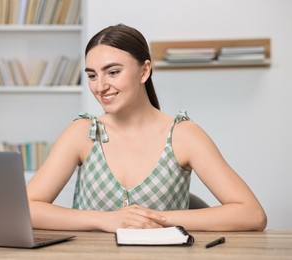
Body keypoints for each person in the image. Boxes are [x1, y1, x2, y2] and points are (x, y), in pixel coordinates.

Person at [27, 24, 267, 232]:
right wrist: (107, 220)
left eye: (113, 72)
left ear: (144, 71)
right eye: (92, 75)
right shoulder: (82, 133)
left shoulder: (183, 135)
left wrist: (155, 219)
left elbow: (252, 214)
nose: (100, 86)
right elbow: (27, 208)